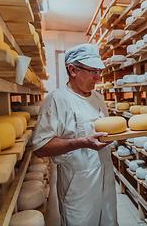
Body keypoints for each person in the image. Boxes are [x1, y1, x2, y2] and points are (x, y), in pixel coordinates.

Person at [32, 43, 118, 226]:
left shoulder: (99, 98)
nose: (98, 76)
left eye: (100, 71)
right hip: (78, 187)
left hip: (105, 179)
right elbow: (40, 147)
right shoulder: (57, 100)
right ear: (72, 69)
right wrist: (82, 142)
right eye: (92, 70)